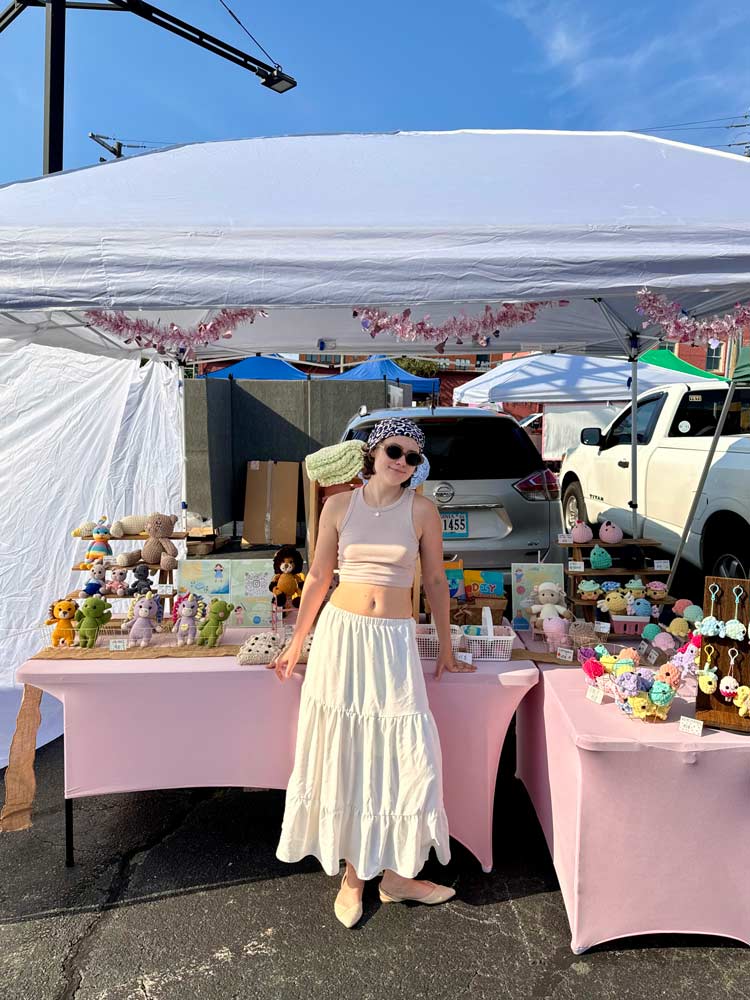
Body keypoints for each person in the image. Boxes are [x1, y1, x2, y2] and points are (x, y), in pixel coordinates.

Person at [271, 417, 476, 928]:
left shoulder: (423, 510)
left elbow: (433, 579)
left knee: (403, 754)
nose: (401, 462)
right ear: (373, 451)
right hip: (342, 637)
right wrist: (298, 642)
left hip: (392, 642)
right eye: (393, 450)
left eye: (412, 457)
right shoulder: (338, 505)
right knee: (349, 750)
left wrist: (445, 646)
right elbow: (318, 576)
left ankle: (397, 873)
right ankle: (352, 876)